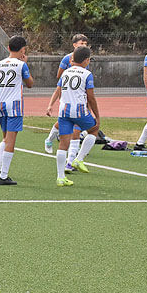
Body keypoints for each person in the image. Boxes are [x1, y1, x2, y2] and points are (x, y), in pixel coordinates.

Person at [46, 45, 101, 187]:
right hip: (79, 111)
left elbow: (59, 90)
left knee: (63, 144)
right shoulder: (87, 74)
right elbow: (91, 97)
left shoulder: (65, 73)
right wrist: (97, 115)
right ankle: (78, 159)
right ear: (86, 60)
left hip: (64, 111)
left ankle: (60, 177)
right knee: (94, 130)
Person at [0, 35, 35, 185]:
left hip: (0, 105)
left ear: (8, 48)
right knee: (10, 141)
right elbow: (30, 83)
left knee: (5, 139)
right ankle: (3, 176)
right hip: (14, 106)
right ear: (23, 50)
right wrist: (25, 64)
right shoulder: (21, 65)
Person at [44, 34, 89, 160]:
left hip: (78, 96)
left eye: (85, 44)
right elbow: (59, 76)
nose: (84, 46)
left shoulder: (86, 60)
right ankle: (50, 139)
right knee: (64, 120)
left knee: (75, 121)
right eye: (81, 43)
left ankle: (74, 149)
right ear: (74, 45)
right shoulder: (67, 59)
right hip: (67, 93)